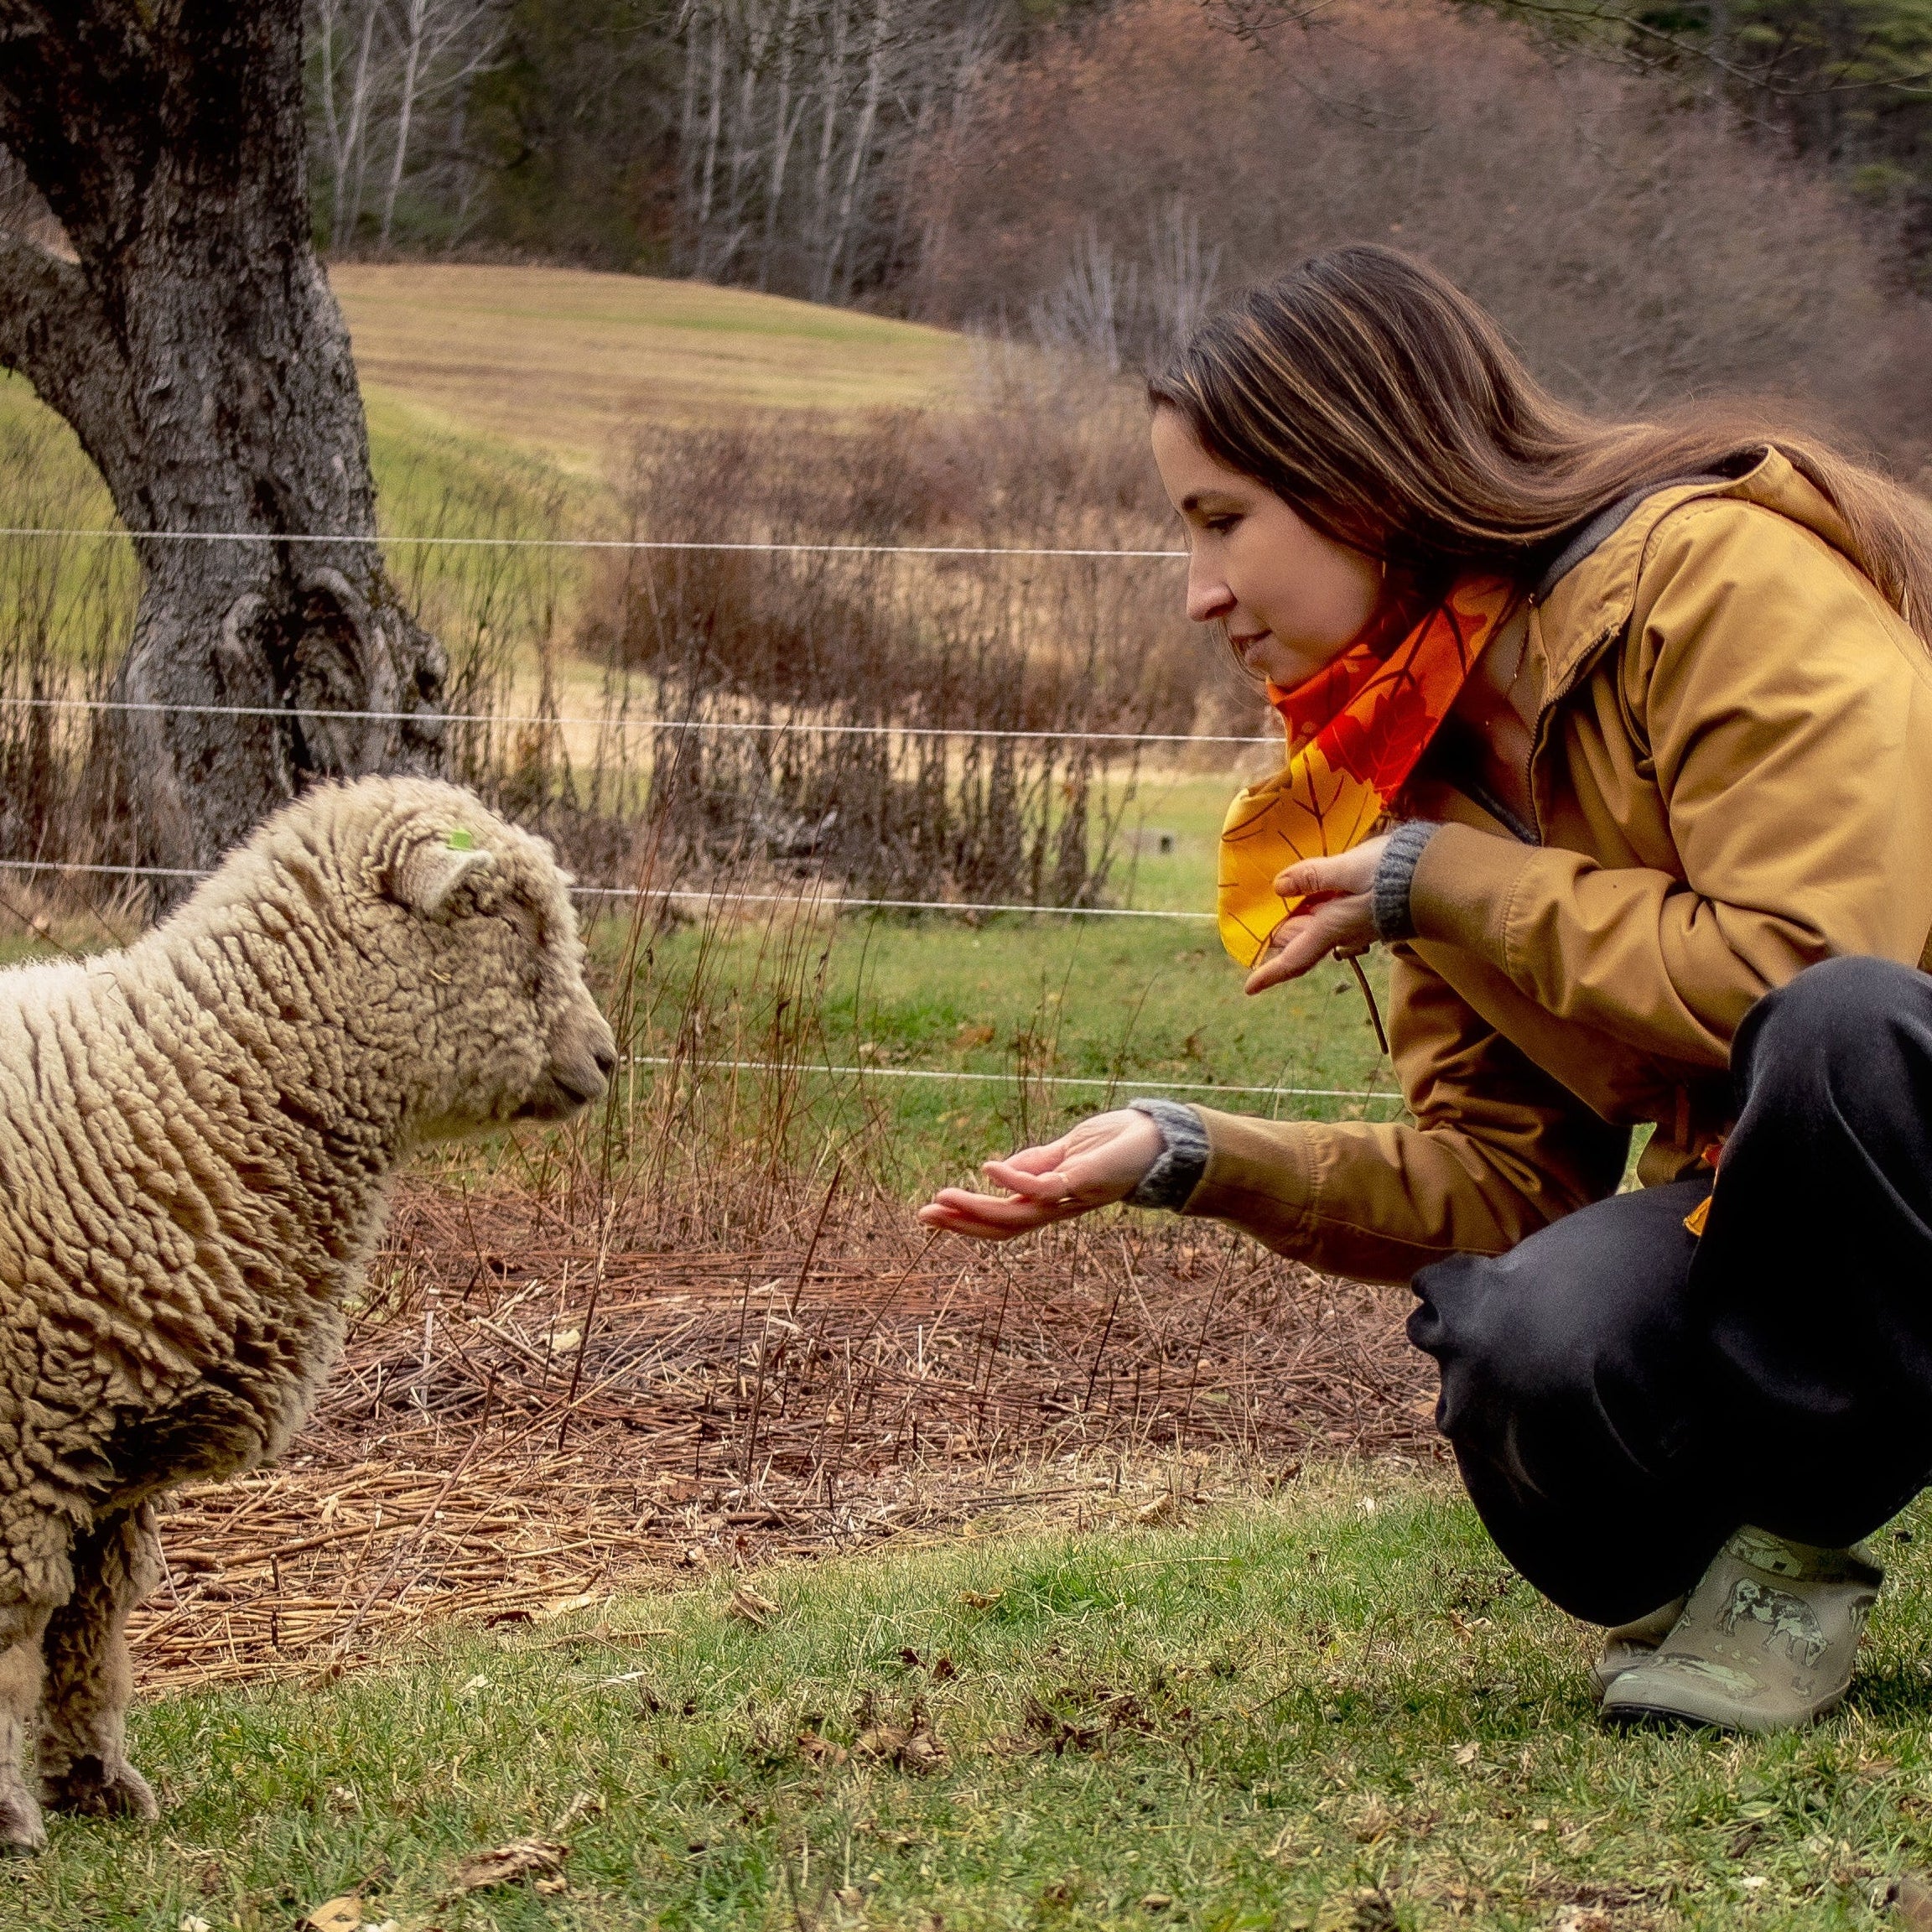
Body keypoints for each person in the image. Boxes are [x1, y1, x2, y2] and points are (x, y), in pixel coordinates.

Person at [918, 245, 1932, 1734]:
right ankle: (1728, 1584)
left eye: (1222, 521)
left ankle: (1784, 1555)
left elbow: (1820, 966)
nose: (1199, 594)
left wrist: (1444, 882)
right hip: (1767, 1197)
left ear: (1360, 478)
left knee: (1842, 1034)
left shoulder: (1714, 573)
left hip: (1904, 1112)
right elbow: (1514, 1187)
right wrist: (1194, 1155)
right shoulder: (1425, 751)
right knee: (1523, 1342)